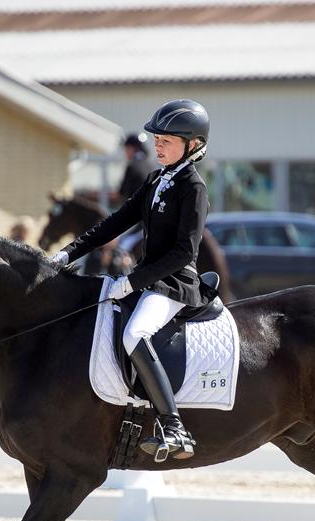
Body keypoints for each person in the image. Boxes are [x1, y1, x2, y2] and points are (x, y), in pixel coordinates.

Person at [50, 98, 212, 462]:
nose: (158, 145)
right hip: (148, 280)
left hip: (175, 284)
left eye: (167, 140)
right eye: (157, 139)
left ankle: (174, 427)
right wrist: (67, 254)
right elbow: (115, 222)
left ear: (194, 145)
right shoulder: (157, 179)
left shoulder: (193, 188)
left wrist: (134, 281)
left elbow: (185, 252)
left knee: (133, 334)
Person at [119, 131, 156, 202]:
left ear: (134, 148)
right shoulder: (150, 165)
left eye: (127, 148)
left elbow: (123, 192)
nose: (125, 152)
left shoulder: (132, 167)